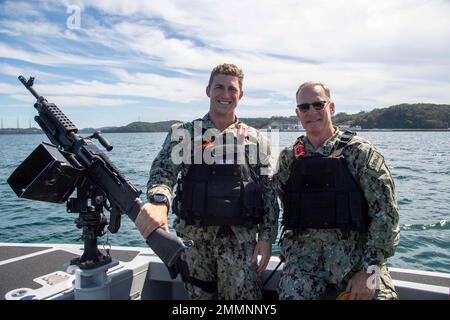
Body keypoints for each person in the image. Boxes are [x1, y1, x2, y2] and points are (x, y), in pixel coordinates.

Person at [134, 63, 279, 300]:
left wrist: (266, 238)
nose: (225, 94)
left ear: (240, 94)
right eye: (219, 87)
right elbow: (163, 174)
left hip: (240, 244)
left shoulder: (256, 139)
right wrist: (160, 201)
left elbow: (268, 191)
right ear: (208, 90)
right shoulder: (185, 134)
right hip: (194, 243)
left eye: (232, 89)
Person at [275, 81, 400, 300]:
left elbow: (386, 217)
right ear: (298, 113)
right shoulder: (289, 158)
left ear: (331, 108)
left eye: (318, 105)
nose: (311, 112)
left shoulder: (361, 154)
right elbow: (285, 205)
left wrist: (369, 271)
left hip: (358, 262)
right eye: (304, 107)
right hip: (304, 263)